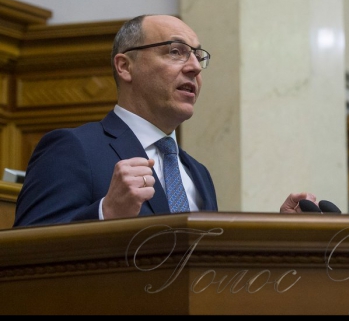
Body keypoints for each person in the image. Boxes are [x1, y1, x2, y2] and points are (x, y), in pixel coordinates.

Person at [13, 14, 318, 227]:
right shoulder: (74, 148)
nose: (195, 68)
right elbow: (26, 256)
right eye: (176, 52)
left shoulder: (197, 172)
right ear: (125, 66)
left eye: (199, 57)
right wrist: (106, 212)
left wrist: (281, 229)